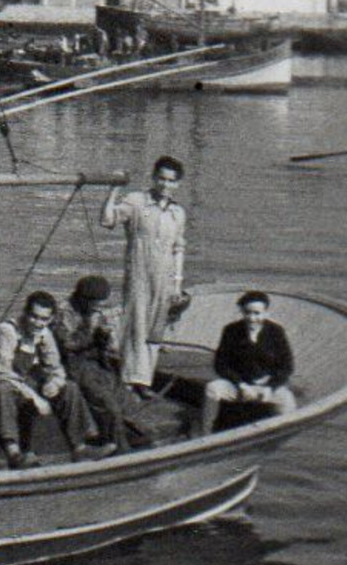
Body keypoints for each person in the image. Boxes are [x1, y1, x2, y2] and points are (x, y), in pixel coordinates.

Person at [0, 292, 102, 469]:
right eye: (34, 317)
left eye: (44, 319)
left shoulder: (44, 334)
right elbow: (1, 372)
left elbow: (56, 368)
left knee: (69, 387)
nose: (38, 323)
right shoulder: (7, 331)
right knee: (2, 391)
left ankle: (79, 447)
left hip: (19, 379)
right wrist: (36, 398)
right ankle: (14, 453)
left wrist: (54, 383)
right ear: (25, 313)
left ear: (50, 319)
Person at [101, 156, 188, 396]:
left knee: (154, 329)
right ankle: (129, 381)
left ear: (177, 184)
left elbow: (178, 247)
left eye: (171, 181)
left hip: (166, 277)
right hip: (139, 271)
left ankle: (144, 381)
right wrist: (114, 190)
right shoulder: (137, 202)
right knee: (136, 323)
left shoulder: (178, 212)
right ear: (153, 177)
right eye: (161, 178)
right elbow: (107, 220)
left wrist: (177, 283)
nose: (165, 184)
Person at [51, 274, 136, 453]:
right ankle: (119, 448)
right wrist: (93, 339)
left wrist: (106, 339)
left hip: (97, 363)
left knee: (124, 397)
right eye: (94, 303)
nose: (97, 307)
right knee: (106, 402)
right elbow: (66, 345)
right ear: (83, 298)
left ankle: (129, 435)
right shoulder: (62, 312)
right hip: (73, 366)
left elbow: (107, 345)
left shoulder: (96, 313)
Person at [200, 290, 297, 435]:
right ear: (242, 312)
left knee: (287, 401)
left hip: (266, 387)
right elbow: (220, 364)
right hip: (239, 386)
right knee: (212, 389)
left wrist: (270, 387)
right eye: (248, 313)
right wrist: (241, 384)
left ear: (266, 313)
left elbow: (287, 366)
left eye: (257, 313)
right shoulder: (231, 330)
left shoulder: (276, 332)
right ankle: (205, 433)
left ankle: (280, 435)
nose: (252, 318)